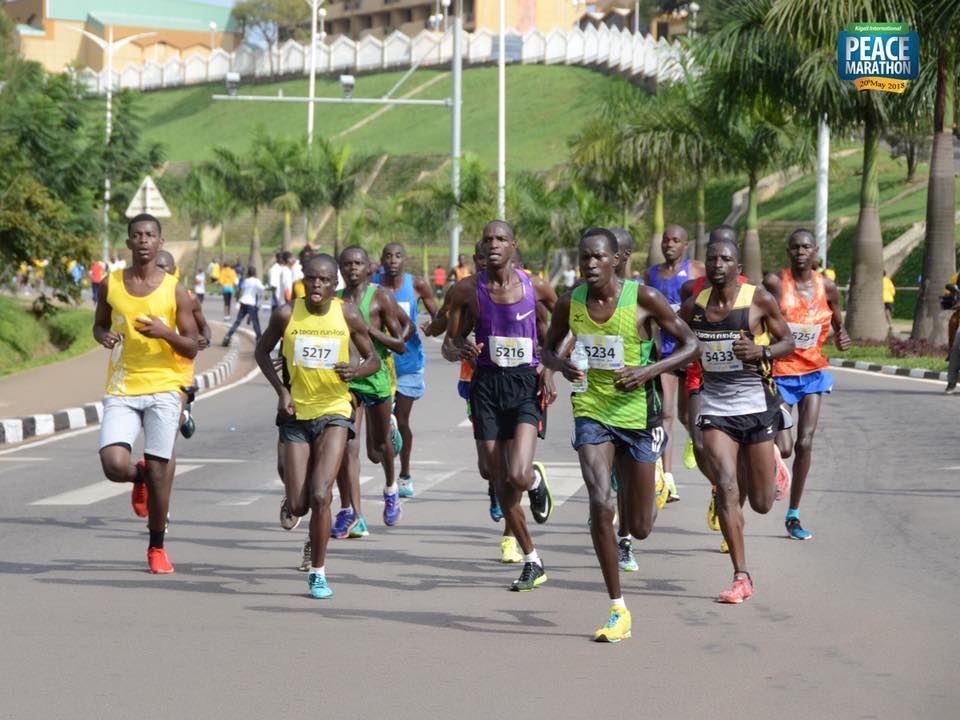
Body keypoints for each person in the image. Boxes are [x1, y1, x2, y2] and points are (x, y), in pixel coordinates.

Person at [543, 228, 700, 641]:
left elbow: (690, 344)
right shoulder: (569, 303)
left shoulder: (643, 299)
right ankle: (618, 608)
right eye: (584, 258)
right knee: (600, 502)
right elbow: (546, 349)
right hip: (592, 411)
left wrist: (647, 372)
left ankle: (654, 486)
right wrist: (562, 367)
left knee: (641, 526)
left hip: (638, 416)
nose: (590, 264)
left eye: (597, 257)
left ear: (616, 260)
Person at [255, 254, 380, 599]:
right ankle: (292, 502)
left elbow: (373, 359)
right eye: (311, 279)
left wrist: (356, 372)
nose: (317, 286)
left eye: (325, 280)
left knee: (322, 493)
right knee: (299, 504)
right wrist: (281, 390)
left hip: (336, 410)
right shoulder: (286, 314)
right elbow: (262, 352)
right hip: (296, 413)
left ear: (335, 284)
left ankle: (318, 572)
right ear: (303, 281)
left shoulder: (348, 314)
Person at [441, 220, 558, 591]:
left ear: (513, 246)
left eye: (501, 239)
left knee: (518, 477)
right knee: (495, 477)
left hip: (525, 385)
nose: (494, 244)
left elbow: (564, 326)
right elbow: (449, 343)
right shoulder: (465, 291)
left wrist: (550, 366)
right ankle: (532, 560)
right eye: (488, 239)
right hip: (487, 388)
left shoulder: (535, 287)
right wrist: (460, 348)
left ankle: (535, 479)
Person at [679, 237, 795, 603]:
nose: (717, 264)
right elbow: (677, 342)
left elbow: (788, 341)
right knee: (727, 486)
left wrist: (761, 350)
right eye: (712, 258)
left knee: (761, 502)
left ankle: (772, 462)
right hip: (715, 407)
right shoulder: (693, 307)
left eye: (725, 259)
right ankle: (741, 576)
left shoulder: (757, 298)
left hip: (756, 405)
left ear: (737, 267)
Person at [93, 214, 199, 574]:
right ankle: (137, 475)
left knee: (160, 474)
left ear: (160, 242)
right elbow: (99, 323)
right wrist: (102, 336)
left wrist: (165, 332)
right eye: (136, 235)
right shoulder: (111, 284)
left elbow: (192, 346)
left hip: (164, 388)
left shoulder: (174, 290)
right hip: (122, 386)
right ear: (128, 243)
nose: (143, 241)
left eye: (149, 235)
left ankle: (156, 547)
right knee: (113, 465)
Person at [763, 229, 850, 540]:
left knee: (805, 443)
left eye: (806, 247)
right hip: (782, 370)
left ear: (815, 252)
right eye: (795, 247)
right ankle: (772, 465)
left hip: (814, 371)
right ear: (789, 252)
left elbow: (838, 321)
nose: (800, 251)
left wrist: (842, 335)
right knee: (783, 446)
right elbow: (758, 316)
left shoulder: (826, 286)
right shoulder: (776, 282)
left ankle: (794, 514)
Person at [332, 246, 408, 537]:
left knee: (378, 450)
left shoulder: (380, 298)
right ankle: (355, 515)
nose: (352, 268)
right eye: (347, 263)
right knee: (348, 448)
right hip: (347, 381)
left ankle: (390, 489)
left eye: (358, 263)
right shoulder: (335, 301)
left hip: (376, 378)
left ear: (368, 268)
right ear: (340, 268)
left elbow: (400, 343)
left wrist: (368, 331)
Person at [373, 243, 440, 498]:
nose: (392, 260)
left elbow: (438, 317)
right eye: (388, 256)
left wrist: (434, 328)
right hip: (378, 363)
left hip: (408, 362)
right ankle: (389, 468)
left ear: (405, 260)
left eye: (398, 256)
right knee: (381, 426)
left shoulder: (417, 285)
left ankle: (405, 474)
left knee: (401, 421)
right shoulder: (373, 285)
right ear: (381, 260)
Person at [644, 224, 705, 500]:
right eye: (665, 240)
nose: (669, 244)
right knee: (665, 414)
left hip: (690, 351)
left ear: (685, 245)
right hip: (666, 352)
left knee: (685, 415)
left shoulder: (696, 271)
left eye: (675, 240)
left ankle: (694, 439)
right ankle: (668, 479)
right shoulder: (652, 274)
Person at [155, 251, 211, 439]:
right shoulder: (144, 298)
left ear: (174, 270)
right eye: (156, 267)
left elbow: (204, 328)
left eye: (164, 267)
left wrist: (204, 339)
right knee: (157, 427)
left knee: (169, 430)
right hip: (152, 367)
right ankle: (186, 412)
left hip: (181, 370)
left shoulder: (190, 298)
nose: (160, 271)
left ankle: (184, 413)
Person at [223, 266, 264, 345]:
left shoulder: (246, 281)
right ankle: (259, 339)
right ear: (255, 273)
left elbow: (240, 289)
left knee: (238, 321)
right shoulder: (256, 281)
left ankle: (228, 336)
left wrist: (237, 300)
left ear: (248, 273)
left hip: (243, 302)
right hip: (251, 303)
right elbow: (262, 288)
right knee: (255, 322)